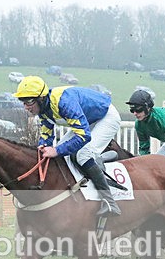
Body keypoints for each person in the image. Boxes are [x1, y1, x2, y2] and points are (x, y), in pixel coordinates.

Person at [13, 75, 121, 216]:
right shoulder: (44, 110)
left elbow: (84, 136)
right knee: (62, 151)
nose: (26, 107)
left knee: (82, 154)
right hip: (89, 119)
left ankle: (110, 203)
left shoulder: (64, 103)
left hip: (106, 116)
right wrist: (43, 146)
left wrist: (57, 150)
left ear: (41, 98)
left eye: (29, 102)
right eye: (23, 102)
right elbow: (46, 135)